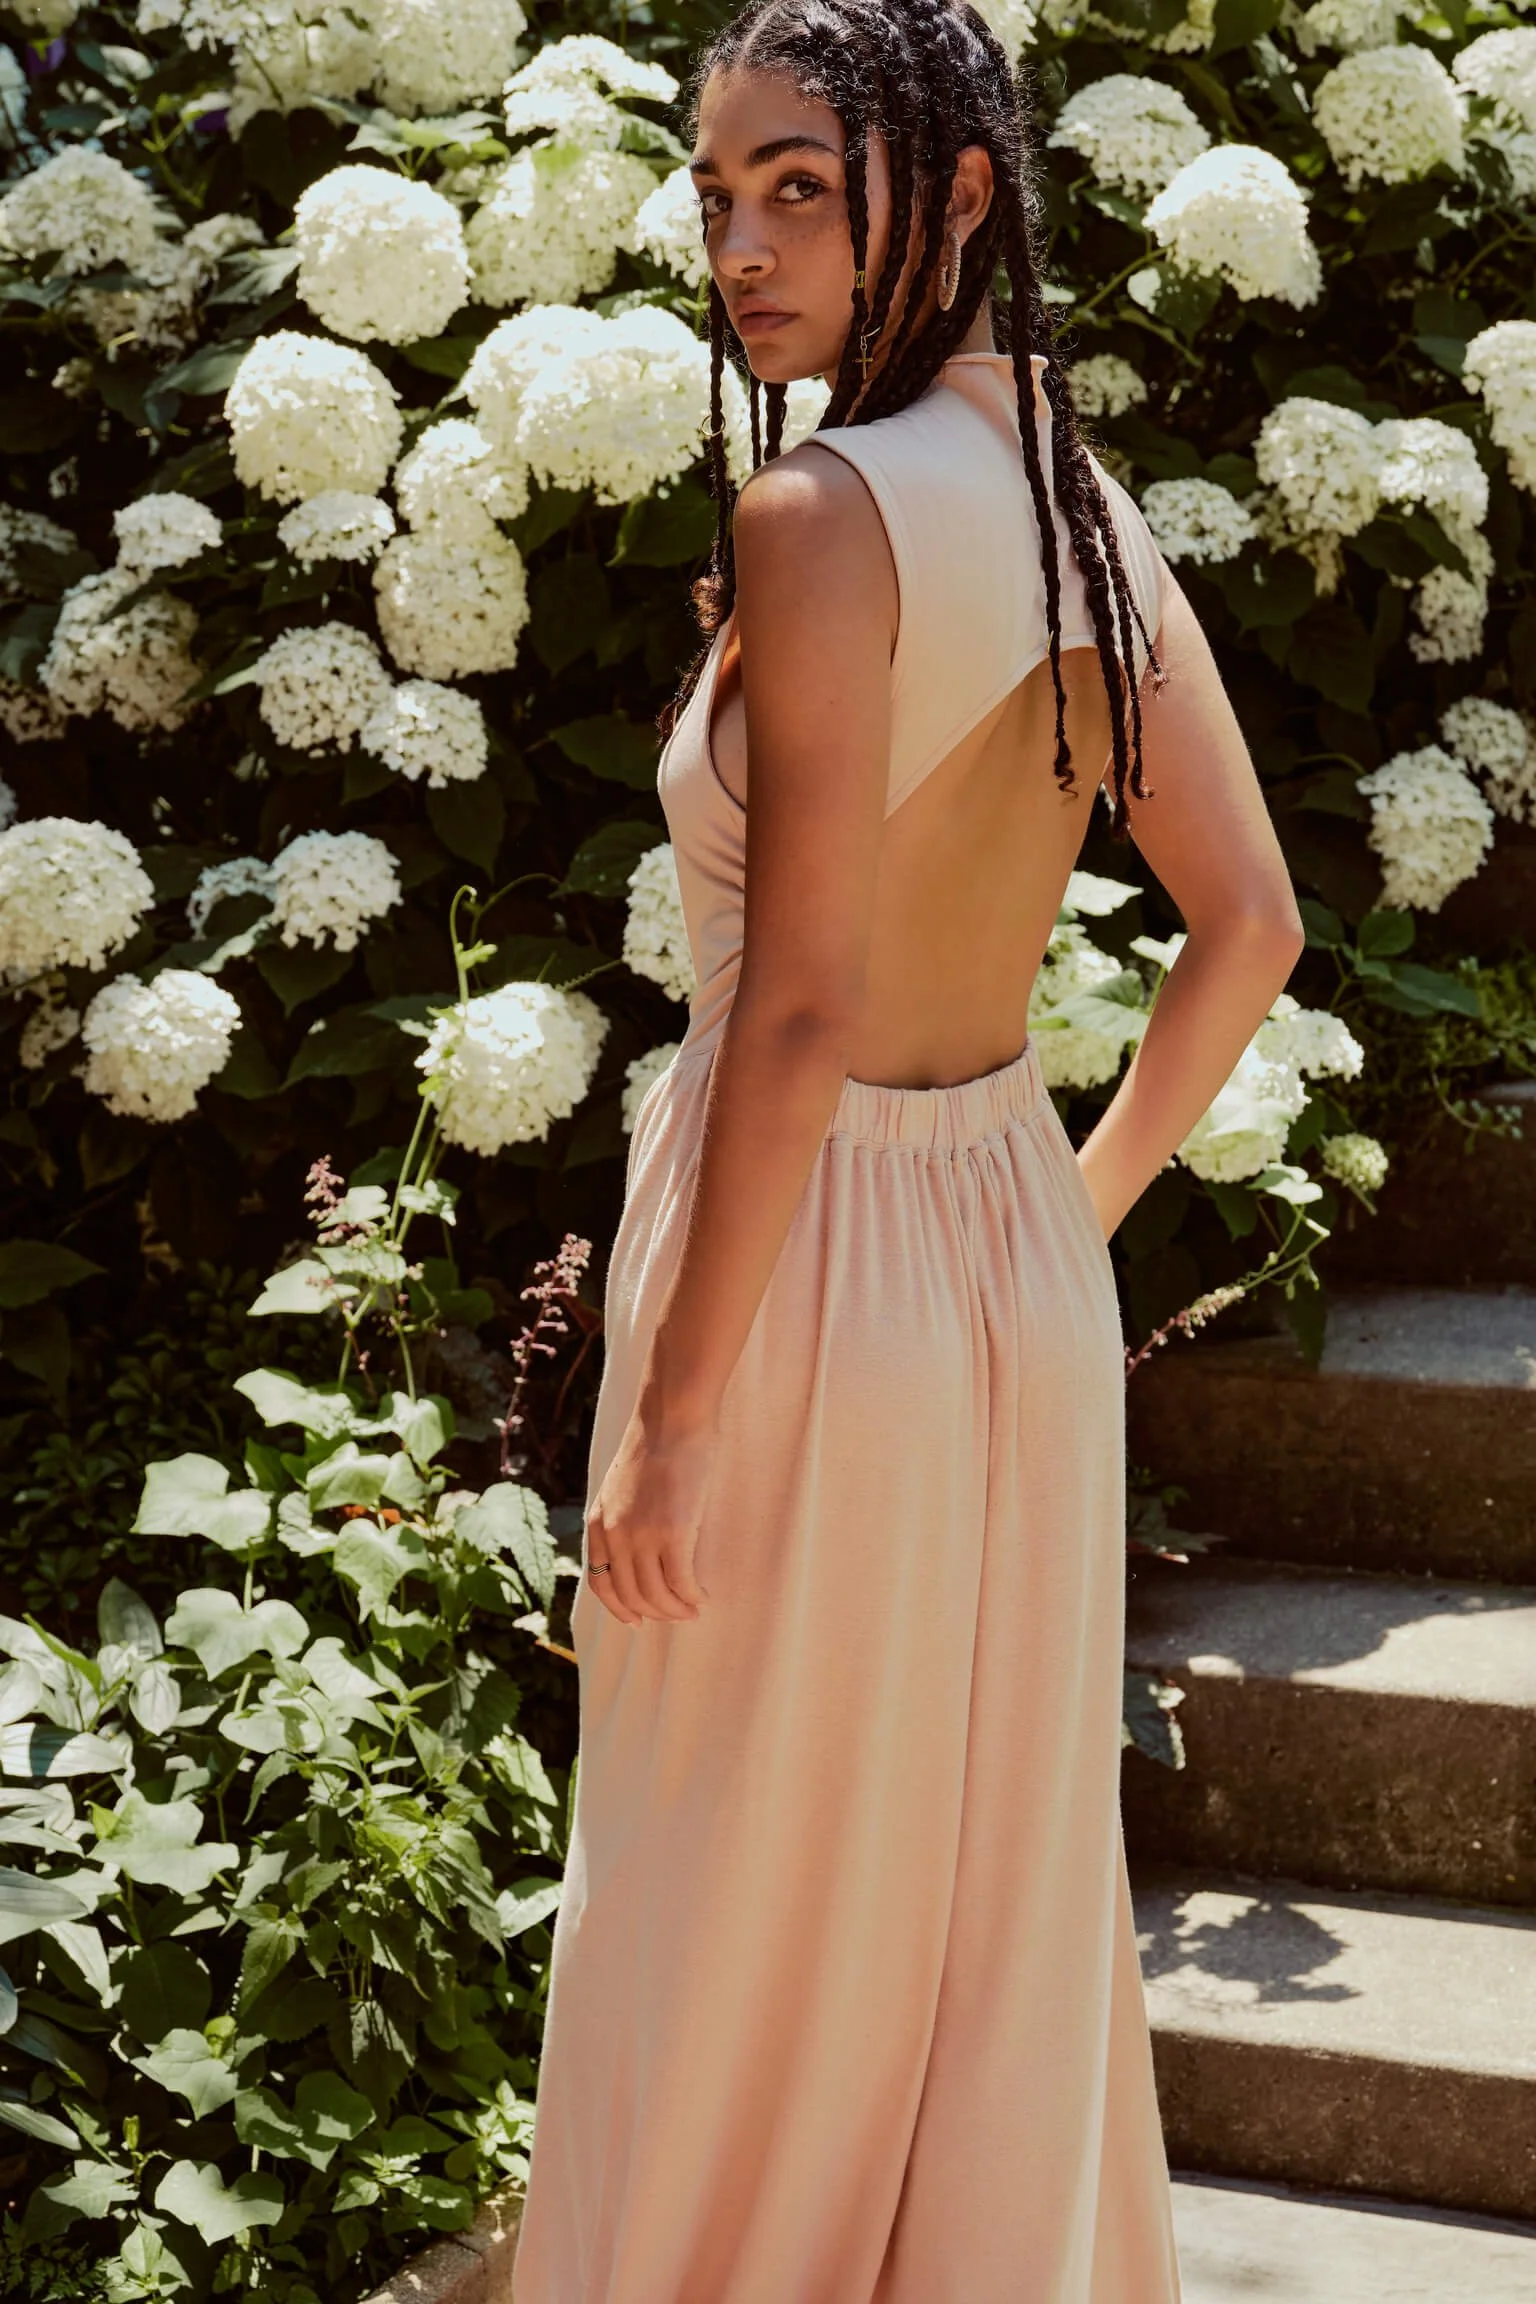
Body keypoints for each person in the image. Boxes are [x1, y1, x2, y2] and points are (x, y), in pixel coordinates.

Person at [511, 2, 1304, 2296]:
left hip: (800, 1268)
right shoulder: (1077, 506)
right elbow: (1252, 925)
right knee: (968, 1926)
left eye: (802, 188)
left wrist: (670, 1416)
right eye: (717, 196)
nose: (744, 250)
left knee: (722, 1927)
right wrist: (1071, 1212)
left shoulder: (822, 509)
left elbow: (799, 1010)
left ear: (954, 198)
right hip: (1003, 1261)